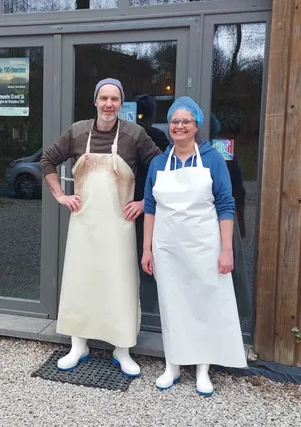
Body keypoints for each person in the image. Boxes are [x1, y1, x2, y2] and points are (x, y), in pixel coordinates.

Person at [39, 78, 162, 377]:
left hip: (119, 225)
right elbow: (47, 161)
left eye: (115, 99)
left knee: (119, 283)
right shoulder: (77, 132)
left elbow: (160, 165)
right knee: (80, 281)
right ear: (95, 101)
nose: (109, 104)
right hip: (84, 222)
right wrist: (60, 195)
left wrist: (146, 202)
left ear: (121, 104)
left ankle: (122, 349)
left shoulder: (135, 134)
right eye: (103, 98)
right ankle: (77, 345)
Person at [141, 96, 247, 396]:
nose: (179, 126)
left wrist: (226, 249)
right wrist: (147, 249)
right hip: (168, 248)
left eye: (186, 121)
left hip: (204, 245)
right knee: (172, 305)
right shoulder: (159, 163)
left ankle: (202, 368)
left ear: (196, 125)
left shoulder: (212, 158)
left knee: (204, 304)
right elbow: (150, 207)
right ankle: (172, 365)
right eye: (175, 121)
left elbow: (226, 204)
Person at [133, 94, 171, 313]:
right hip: (139, 206)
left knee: (144, 257)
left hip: (147, 207)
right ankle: (147, 309)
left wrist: (144, 202)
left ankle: (145, 310)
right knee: (144, 258)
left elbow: (168, 173)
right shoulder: (158, 135)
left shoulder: (156, 138)